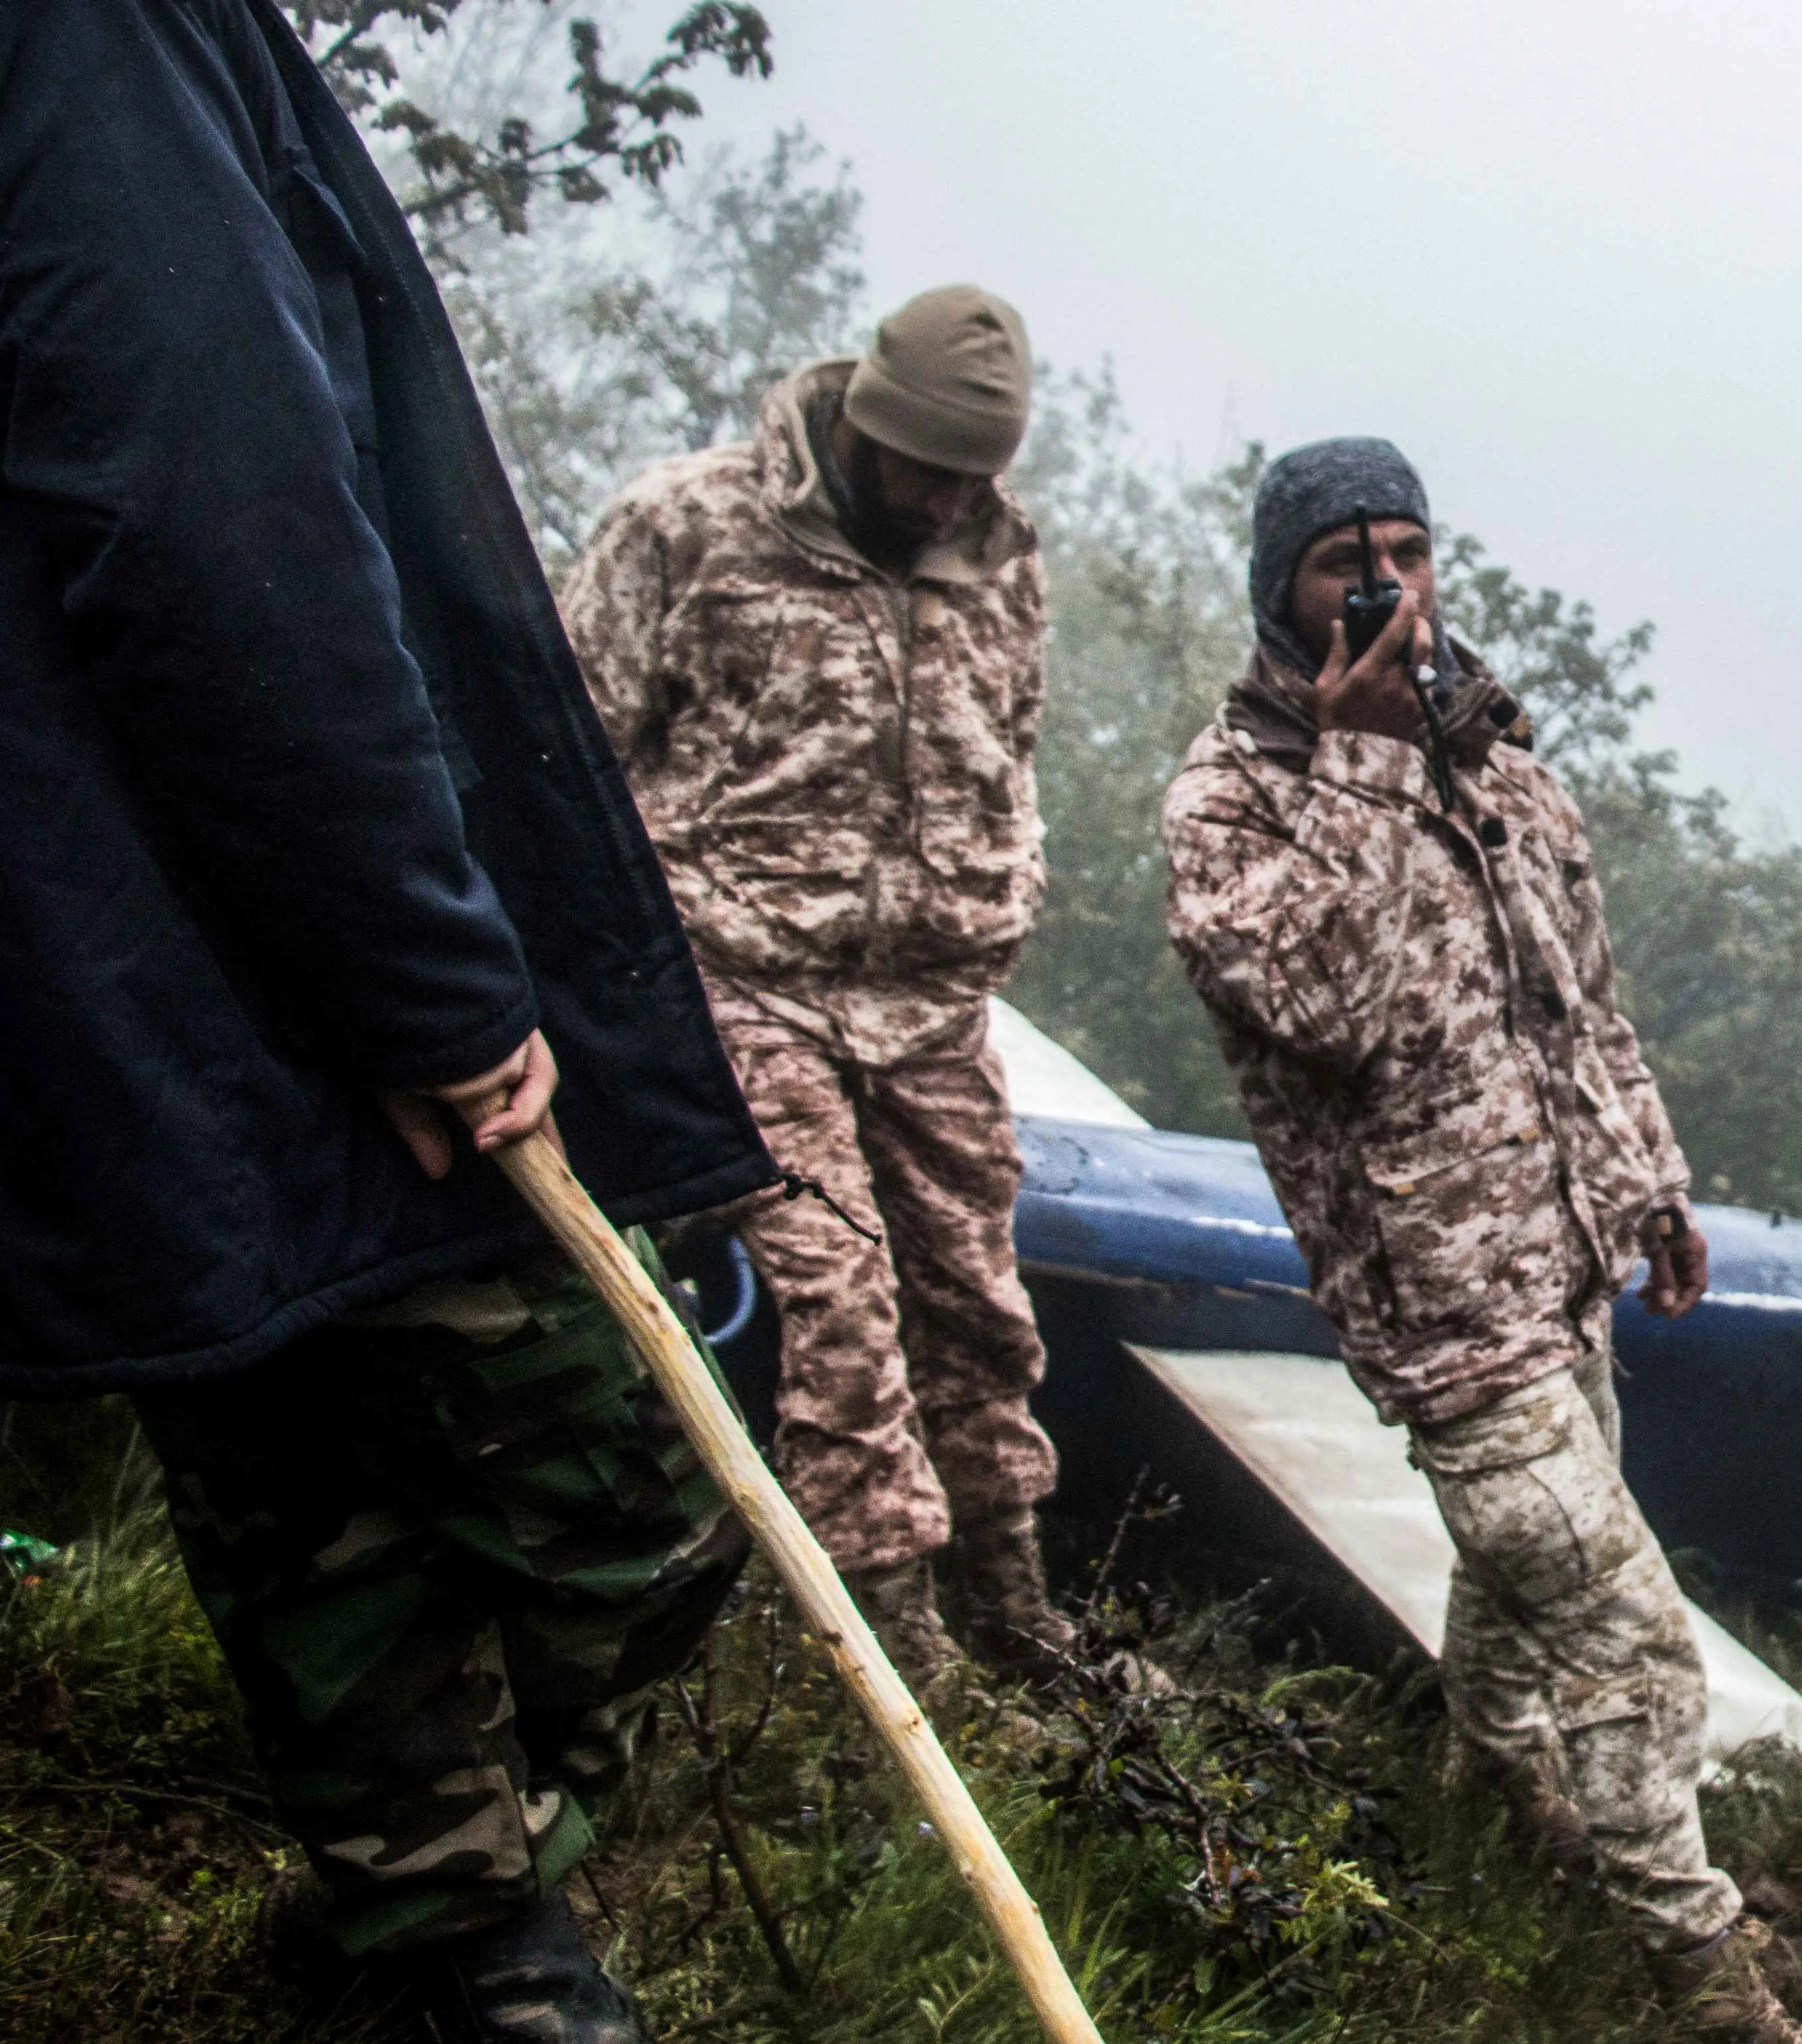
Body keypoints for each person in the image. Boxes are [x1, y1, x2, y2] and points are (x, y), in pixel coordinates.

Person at [1, 4, 781, 2035]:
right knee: (613, 1489)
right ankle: (439, 1932)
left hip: (146, 964)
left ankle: (433, 1929)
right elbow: (210, 504)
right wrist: (424, 976)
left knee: (302, 1458)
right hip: (234, 956)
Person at [1161, 438, 1802, 2043]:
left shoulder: (1506, 766)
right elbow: (1327, 1006)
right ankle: (1700, 1975)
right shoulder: (1230, 799)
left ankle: (1485, 1783)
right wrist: (1367, 759)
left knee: (1521, 1586)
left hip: (1562, 1254)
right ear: (1283, 591)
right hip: (1438, 1298)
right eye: (1342, 562)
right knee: (1634, 1640)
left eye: (1407, 548)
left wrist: (1647, 1184)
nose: (1385, 585)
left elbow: (1577, 1001)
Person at [562, 286, 1071, 1689]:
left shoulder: (998, 559)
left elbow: (1007, 745)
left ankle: (1015, 1615)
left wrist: (998, 889)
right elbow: (572, 754)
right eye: (930, 469)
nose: (950, 500)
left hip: (932, 1006)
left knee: (979, 1305)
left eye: (981, 476)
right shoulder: (689, 528)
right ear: (864, 424)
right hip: (744, 976)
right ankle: (892, 1648)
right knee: (838, 1293)